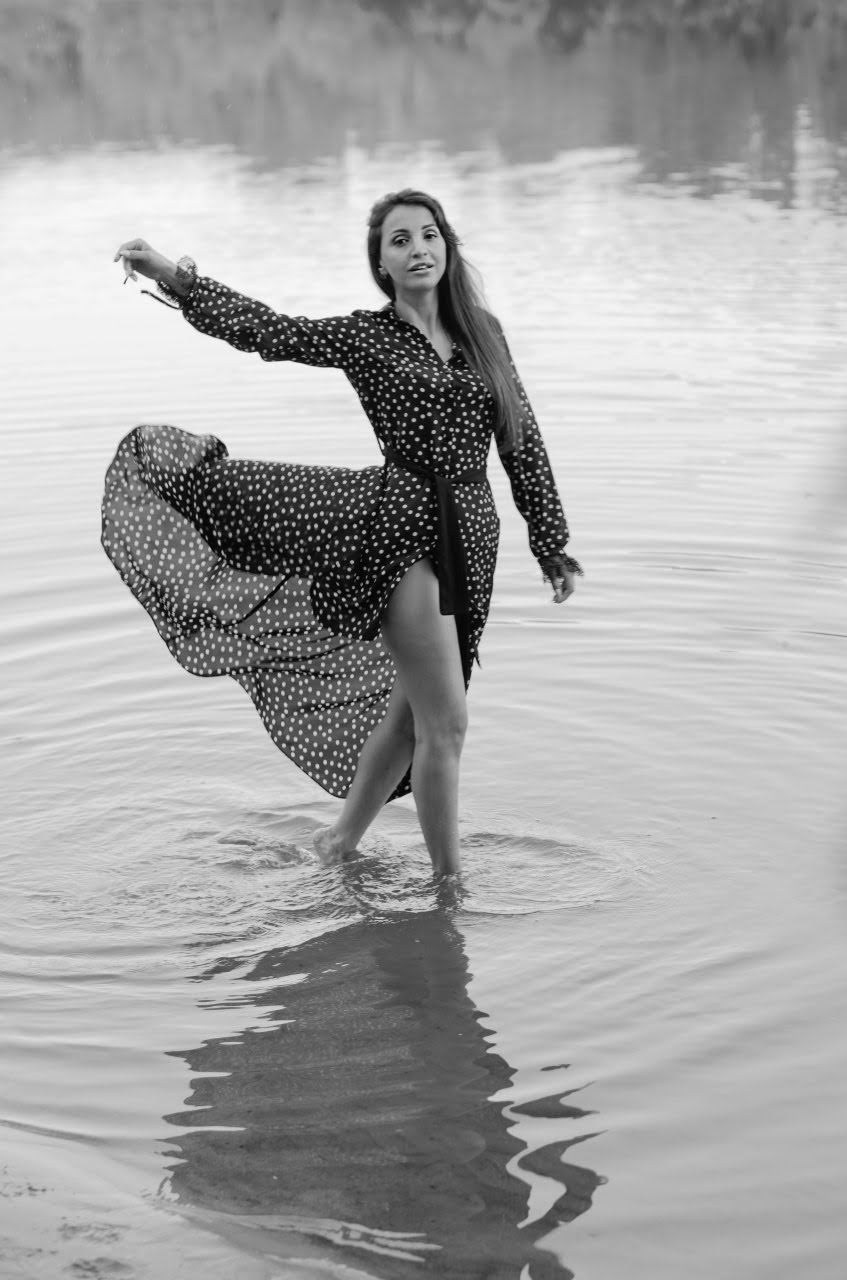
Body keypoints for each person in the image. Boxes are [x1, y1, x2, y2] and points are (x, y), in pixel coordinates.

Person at [106, 189, 580, 877]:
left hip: (473, 535)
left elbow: (520, 438)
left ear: (446, 246)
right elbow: (269, 331)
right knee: (445, 724)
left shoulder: (485, 333)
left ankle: (337, 845)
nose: (417, 248)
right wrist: (176, 277)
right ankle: (449, 889)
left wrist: (549, 538)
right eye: (399, 240)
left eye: (428, 235)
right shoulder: (366, 336)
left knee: (409, 714)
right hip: (400, 534)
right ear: (381, 263)